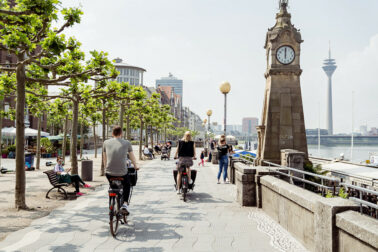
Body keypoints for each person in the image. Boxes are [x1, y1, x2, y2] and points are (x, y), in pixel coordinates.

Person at [103, 126, 139, 215]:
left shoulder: (105, 142)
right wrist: (136, 165)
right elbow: (132, 156)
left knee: (112, 186)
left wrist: (105, 168)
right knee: (127, 185)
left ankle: (112, 202)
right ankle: (125, 204)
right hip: (122, 172)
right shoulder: (127, 143)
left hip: (109, 172)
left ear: (112, 133)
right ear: (121, 134)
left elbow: (104, 158)